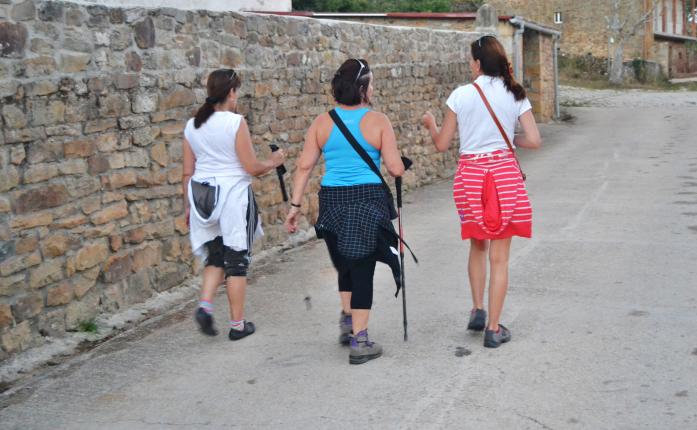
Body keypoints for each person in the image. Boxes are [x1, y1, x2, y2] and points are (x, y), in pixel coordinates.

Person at [422, 35, 542, 348]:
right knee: (499, 258)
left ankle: (477, 309)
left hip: (470, 178)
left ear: (477, 64)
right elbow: (534, 140)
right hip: (504, 176)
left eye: (470, 61)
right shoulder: (515, 93)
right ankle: (493, 329)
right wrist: (509, 141)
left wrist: (431, 124)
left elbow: (442, 144)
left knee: (478, 245)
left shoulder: (460, 95)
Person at [285, 59, 405, 364]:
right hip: (367, 200)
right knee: (362, 268)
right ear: (362, 88)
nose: (374, 89)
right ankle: (360, 341)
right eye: (372, 83)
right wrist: (402, 165)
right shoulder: (379, 121)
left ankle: (349, 318)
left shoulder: (322, 123)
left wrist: (294, 207)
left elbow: (304, 167)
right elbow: (394, 168)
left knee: (346, 265)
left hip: (332, 202)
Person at [182, 69, 285, 341]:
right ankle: (238, 325)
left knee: (216, 254)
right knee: (237, 260)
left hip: (202, 196)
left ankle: (205, 305)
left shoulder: (192, 125)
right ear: (231, 92)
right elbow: (251, 166)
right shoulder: (235, 122)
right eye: (236, 91)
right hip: (232, 197)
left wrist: (188, 207)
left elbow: (187, 172)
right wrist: (273, 162)